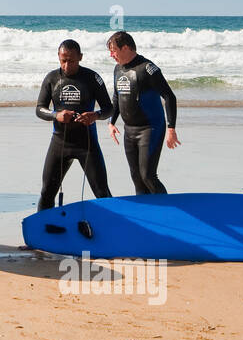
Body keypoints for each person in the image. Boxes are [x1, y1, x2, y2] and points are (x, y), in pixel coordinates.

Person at [35, 40, 113, 209]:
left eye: (71, 60)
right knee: (47, 191)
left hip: (87, 144)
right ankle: (43, 230)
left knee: (102, 192)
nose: (66, 65)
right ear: (58, 57)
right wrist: (57, 115)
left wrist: (95, 115)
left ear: (80, 57)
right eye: (63, 60)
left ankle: (118, 227)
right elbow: (39, 109)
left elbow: (109, 108)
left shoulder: (92, 78)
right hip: (60, 143)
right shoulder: (51, 78)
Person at [106, 31, 179, 194]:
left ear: (125, 48)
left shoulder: (147, 68)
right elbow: (117, 97)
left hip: (150, 128)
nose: (111, 55)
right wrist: (111, 122)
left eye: (113, 51)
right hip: (129, 130)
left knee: (148, 175)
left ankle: (167, 211)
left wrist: (171, 128)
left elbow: (169, 96)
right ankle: (147, 215)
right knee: (137, 177)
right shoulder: (117, 69)